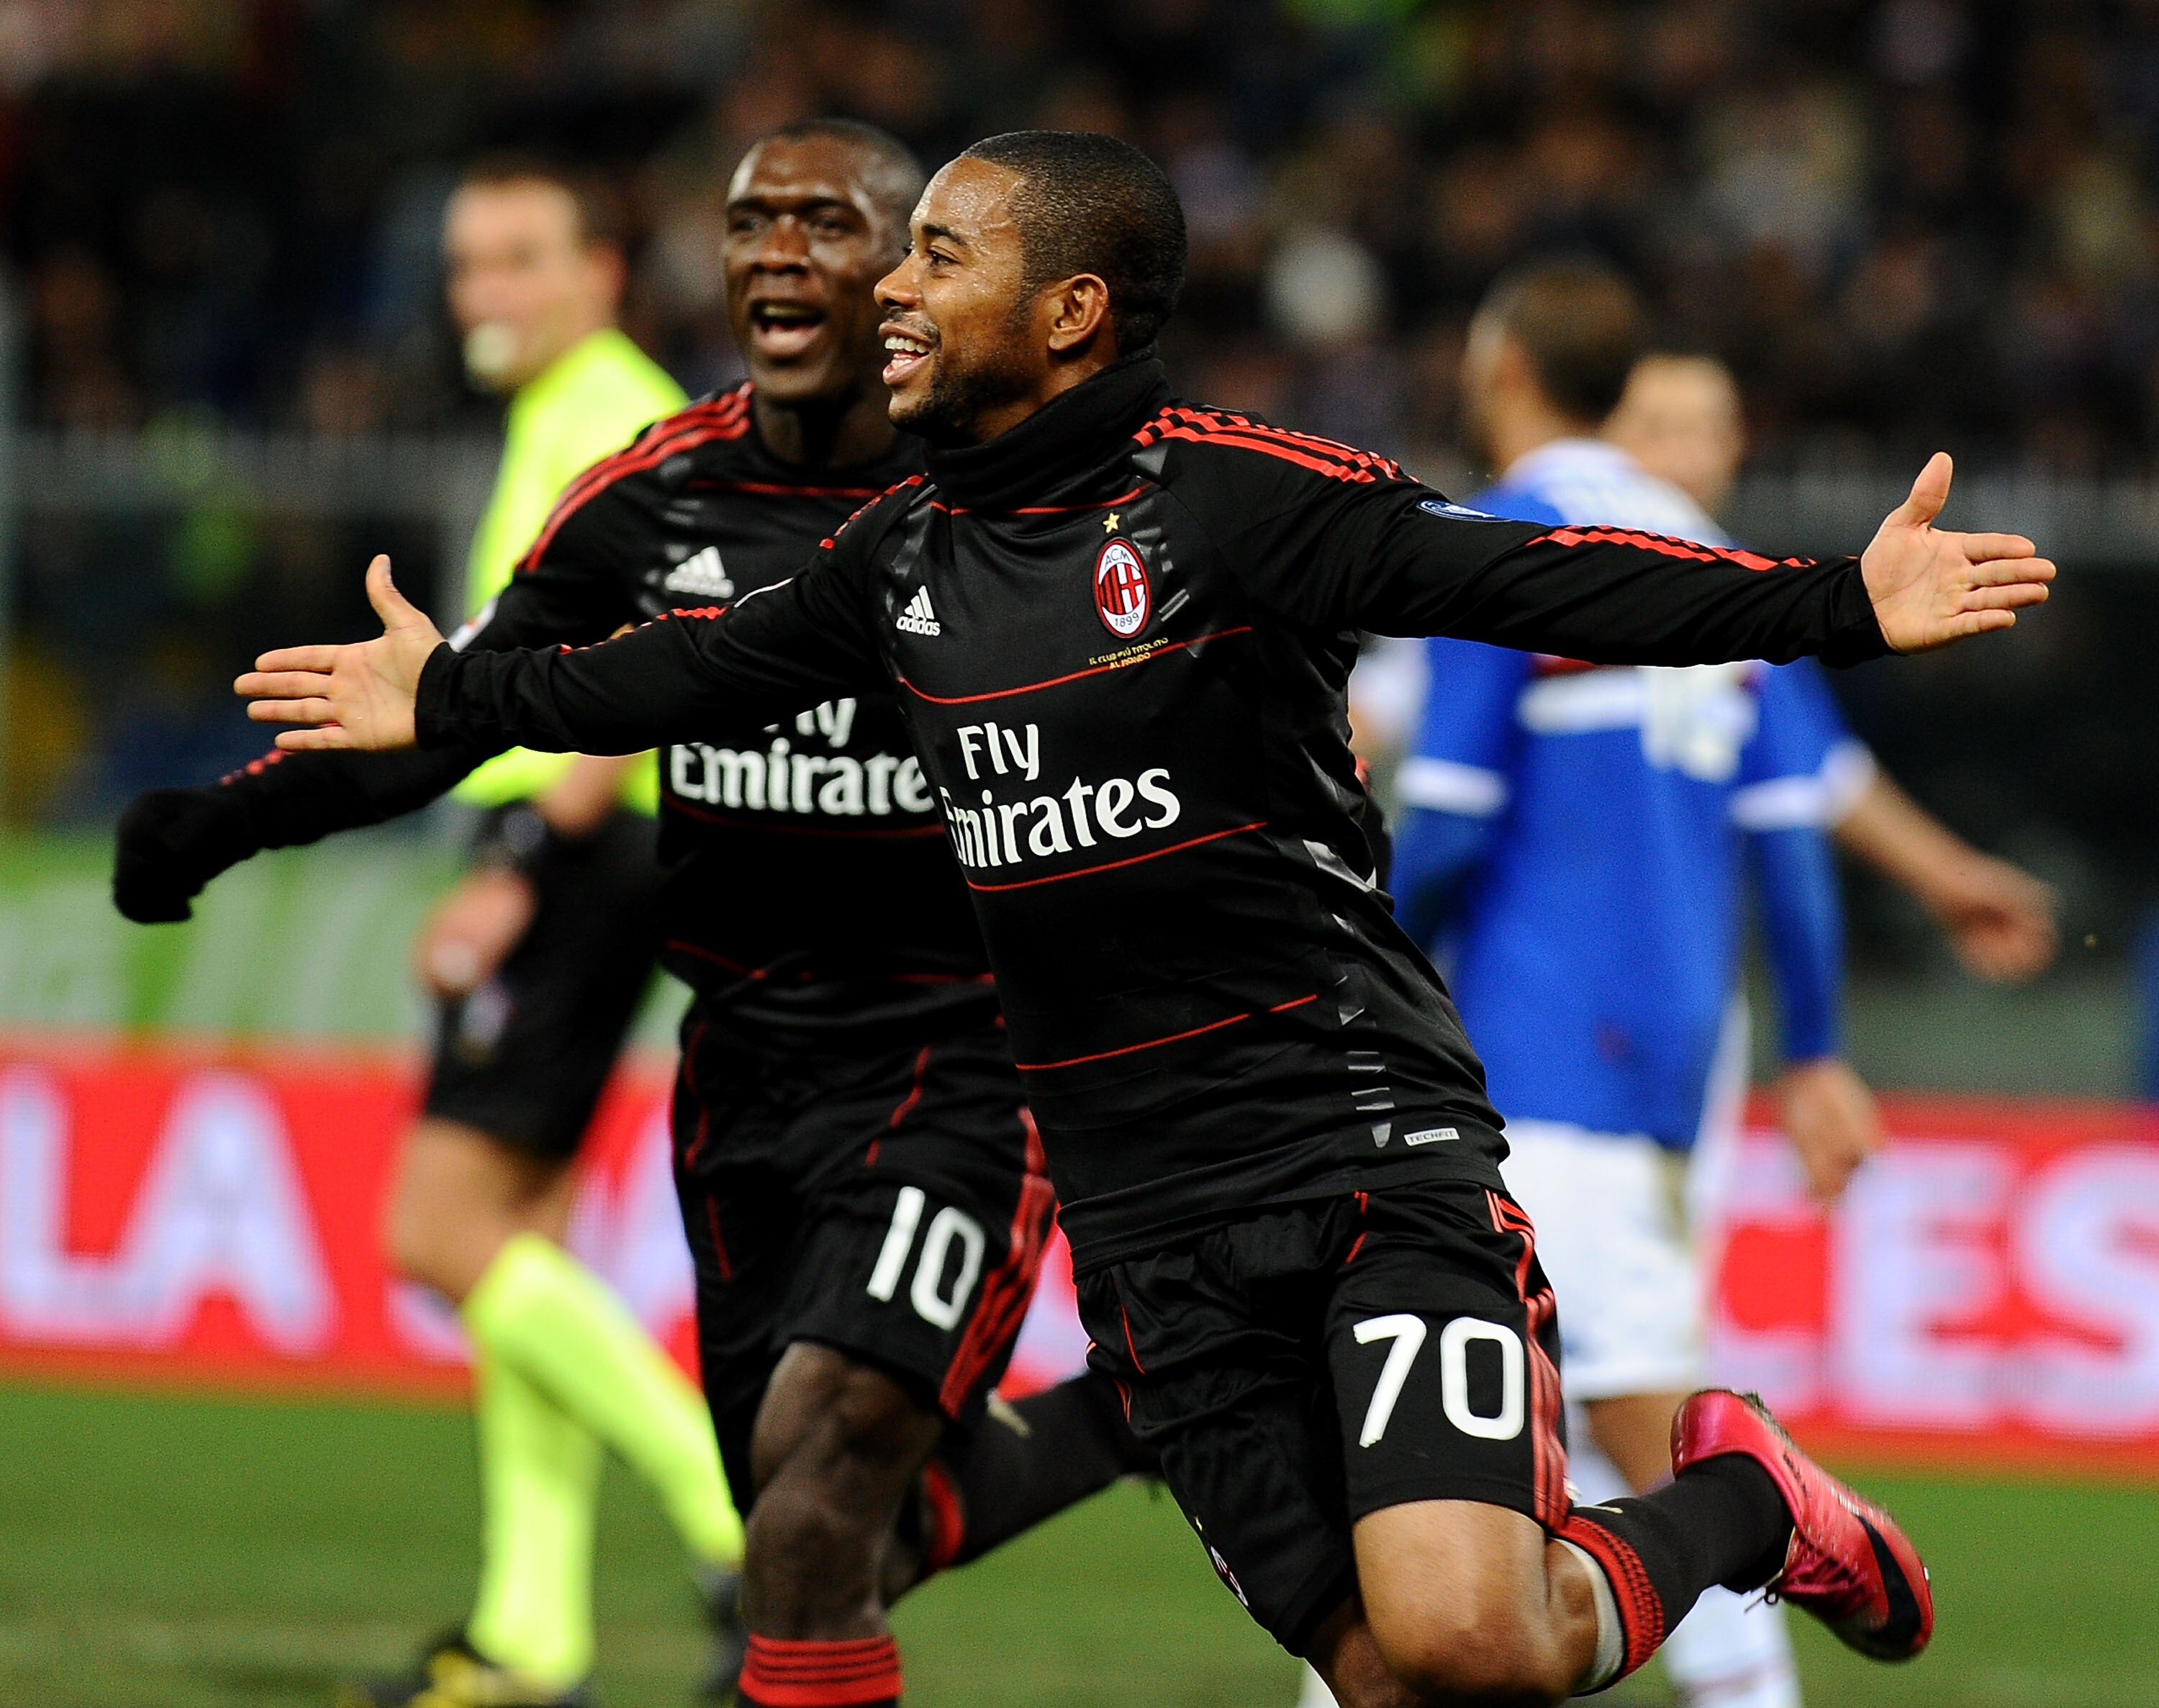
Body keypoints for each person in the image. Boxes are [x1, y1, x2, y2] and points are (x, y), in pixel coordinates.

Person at [233, 132, 2058, 1708]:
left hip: (1356, 1151)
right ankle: (1724, 1504)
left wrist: (1837, 602)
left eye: (939, 256)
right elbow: (679, 671)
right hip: (1141, 1223)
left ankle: (1739, 1501)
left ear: (1070, 311)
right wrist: (451, 696)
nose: (890, 291)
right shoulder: (900, 555)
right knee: (1389, 1677)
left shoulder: (1233, 499)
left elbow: (1526, 575)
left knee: (1473, 1641)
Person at [117, 120, 1151, 1708]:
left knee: (822, 1456)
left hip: (959, 1071)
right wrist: (225, 820)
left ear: (908, 274)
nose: (778, 250)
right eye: (750, 222)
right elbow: (456, 709)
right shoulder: (658, 490)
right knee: (822, 1528)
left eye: (826, 222)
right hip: (741, 1076)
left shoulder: (1011, 493)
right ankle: (1128, 1412)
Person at [122, 152, 749, 1706]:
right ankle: (531, 1629)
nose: (485, 293)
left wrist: (523, 854)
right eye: (469, 263)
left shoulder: (611, 416)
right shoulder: (579, 407)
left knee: (436, 1227)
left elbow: (646, 653)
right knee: (516, 1247)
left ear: (602, 271)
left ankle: (735, 1515)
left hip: (584, 842)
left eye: (521, 258)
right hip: (602, 845)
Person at [1366, 262, 1874, 1708]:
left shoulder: (1498, 540)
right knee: (1491, 1416)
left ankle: (1783, 1576)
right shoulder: (1711, 552)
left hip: (1528, 1039)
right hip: (1667, 1041)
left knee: (1634, 1410)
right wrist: (1815, 1045)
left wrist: (1358, 973)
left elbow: (1450, 814)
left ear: (1503, 365)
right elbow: (1793, 836)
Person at [1607, 353, 2060, 986]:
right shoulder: (1545, 588)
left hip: (1687, 978)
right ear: (1603, 435)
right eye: (1658, 430)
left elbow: (1822, 768)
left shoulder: (1744, 598)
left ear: (1736, 443)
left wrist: (1949, 877)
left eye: (1707, 430)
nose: (1686, 457)